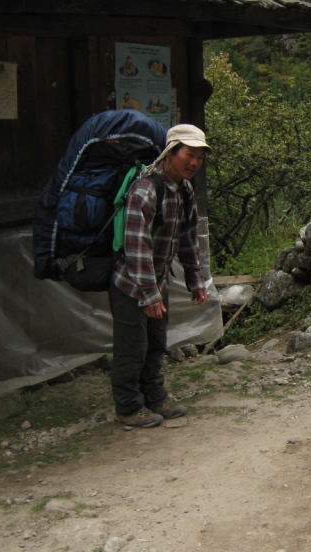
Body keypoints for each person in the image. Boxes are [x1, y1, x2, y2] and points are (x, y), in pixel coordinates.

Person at [109, 124, 211, 427]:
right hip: (131, 284)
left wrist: (196, 280)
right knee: (133, 347)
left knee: (156, 342)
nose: (194, 163)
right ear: (170, 152)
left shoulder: (184, 190)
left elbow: (189, 238)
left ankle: (154, 396)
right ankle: (128, 407)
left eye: (199, 157)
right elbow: (135, 246)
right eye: (188, 154)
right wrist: (149, 294)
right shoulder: (145, 190)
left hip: (159, 280)